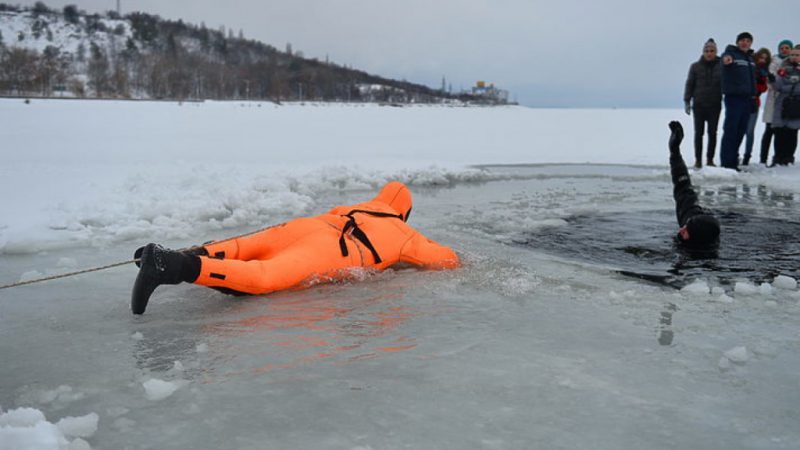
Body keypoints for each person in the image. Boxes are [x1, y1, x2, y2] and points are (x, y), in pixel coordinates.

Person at [131, 181, 460, 314]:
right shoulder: (405, 232)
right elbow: (445, 260)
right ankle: (170, 265)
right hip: (338, 247)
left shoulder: (357, 205)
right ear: (405, 211)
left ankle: (176, 253)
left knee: (239, 246)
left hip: (309, 225)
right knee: (264, 276)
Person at [668, 121, 721, 247]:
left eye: (686, 230)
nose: (681, 229)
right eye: (685, 226)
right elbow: (683, 187)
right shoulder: (694, 221)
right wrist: (675, 152)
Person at [719, 32, 757, 170]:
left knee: (741, 130)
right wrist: (726, 59)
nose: (745, 43)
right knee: (731, 130)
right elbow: (725, 59)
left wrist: (754, 97)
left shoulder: (750, 59)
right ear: (737, 42)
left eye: (748, 41)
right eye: (742, 40)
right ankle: (727, 163)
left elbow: (753, 80)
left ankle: (733, 160)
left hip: (747, 99)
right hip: (734, 98)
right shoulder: (731, 54)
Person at [684, 38, 723, 168]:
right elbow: (690, 83)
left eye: (712, 51)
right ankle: (698, 160)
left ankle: (710, 159)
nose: (709, 53)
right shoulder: (695, 66)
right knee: (698, 133)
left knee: (712, 133)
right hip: (699, 104)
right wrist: (687, 100)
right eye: (706, 51)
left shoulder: (721, 66)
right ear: (703, 52)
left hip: (715, 104)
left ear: (716, 52)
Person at [760, 39, 794, 164]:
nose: (784, 50)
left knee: (784, 132)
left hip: (787, 102)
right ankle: (763, 159)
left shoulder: (793, 63)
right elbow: (770, 80)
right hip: (773, 100)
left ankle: (781, 157)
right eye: (782, 48)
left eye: (787, 48)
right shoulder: (773, 62)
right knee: (769, 130)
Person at [770, 46, 800, 165]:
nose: (794, 57)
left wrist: (787, 88)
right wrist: (773, 81)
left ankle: (788, 158)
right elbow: (778, 87)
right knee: (779, 133)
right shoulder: (783, 69)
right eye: (792, 54)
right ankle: (778, 158)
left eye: (797, 55)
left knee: (792, 133)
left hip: (797, 105)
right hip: (782, 104)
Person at [743, 47, 771, 165]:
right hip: (742, 102)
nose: (762, 60)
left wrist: (761, 80)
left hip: (755, 103)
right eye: (761, 57)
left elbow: (763, 88)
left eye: (765, 59)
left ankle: (747, 156)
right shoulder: (750, 67)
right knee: (739, 131)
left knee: (750, 132)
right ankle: (735, 154)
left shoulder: (764, 72)